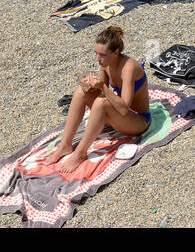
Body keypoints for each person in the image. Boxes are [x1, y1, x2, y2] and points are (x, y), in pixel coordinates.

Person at [41, 26, 152, 173]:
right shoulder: (106, 64)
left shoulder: (128, 68)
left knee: (101, 102)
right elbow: (103, 90)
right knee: (81, 92)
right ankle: (65, 145)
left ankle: (80, 153)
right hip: (120, 117)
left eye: (102, 55)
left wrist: (102, 88)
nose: (97, 59)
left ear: (116, 52)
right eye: (96, 53)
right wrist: (89, 86)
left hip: (138, 121)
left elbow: (124, 108)